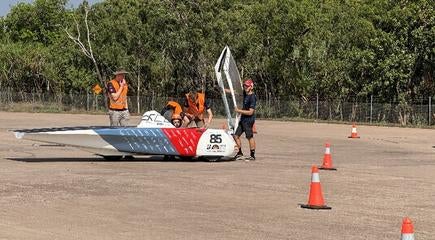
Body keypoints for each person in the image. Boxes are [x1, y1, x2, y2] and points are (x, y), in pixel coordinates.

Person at [234, 79, 257, 161]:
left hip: (248, 120)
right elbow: (235, 91)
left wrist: (239, 111)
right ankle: (240, 153)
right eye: (244, 85)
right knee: (236, 136)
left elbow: (251, 112)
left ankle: (252, 155)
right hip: (243, 119)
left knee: (249, 137)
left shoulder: (252, 97)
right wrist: (223, 89)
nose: (245, 87)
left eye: (247, 86)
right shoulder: (244, 93)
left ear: (251, 87)